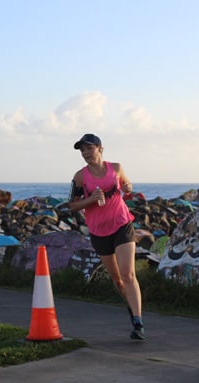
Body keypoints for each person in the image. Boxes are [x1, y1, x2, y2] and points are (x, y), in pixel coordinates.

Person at [68, 133, 144, 340]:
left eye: (89, 148)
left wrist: (129, 189)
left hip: (122, 224)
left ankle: (138, 322)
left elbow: (127, 190)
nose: (85, 153)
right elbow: (72, 206)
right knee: (117, 280)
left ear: (100, 149)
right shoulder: (80, 177)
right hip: (99, 231)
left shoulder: (116, 168)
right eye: (82, 150)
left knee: (128, 274)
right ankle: (131, 307)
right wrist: (91, 199)